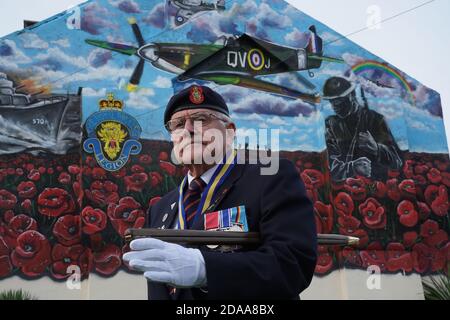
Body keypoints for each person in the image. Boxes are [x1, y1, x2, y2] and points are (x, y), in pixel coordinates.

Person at [123, 85, 317, 300]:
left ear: (230, 130)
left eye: (202, 119)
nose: (188, 129)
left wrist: (205, 269)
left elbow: (292, 264)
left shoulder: (270, 178)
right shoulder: (160, 209)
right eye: (178, 124)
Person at [323, 76, 403, 182]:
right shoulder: (331, 124)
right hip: (345, 190)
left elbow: (397, 162)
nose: (335, 106)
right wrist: (352, 168)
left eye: (339, 101)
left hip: (376, 189)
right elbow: (331, 170)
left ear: (352, 95)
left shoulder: (375, 120)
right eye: (332, 102)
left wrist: (377, 149)